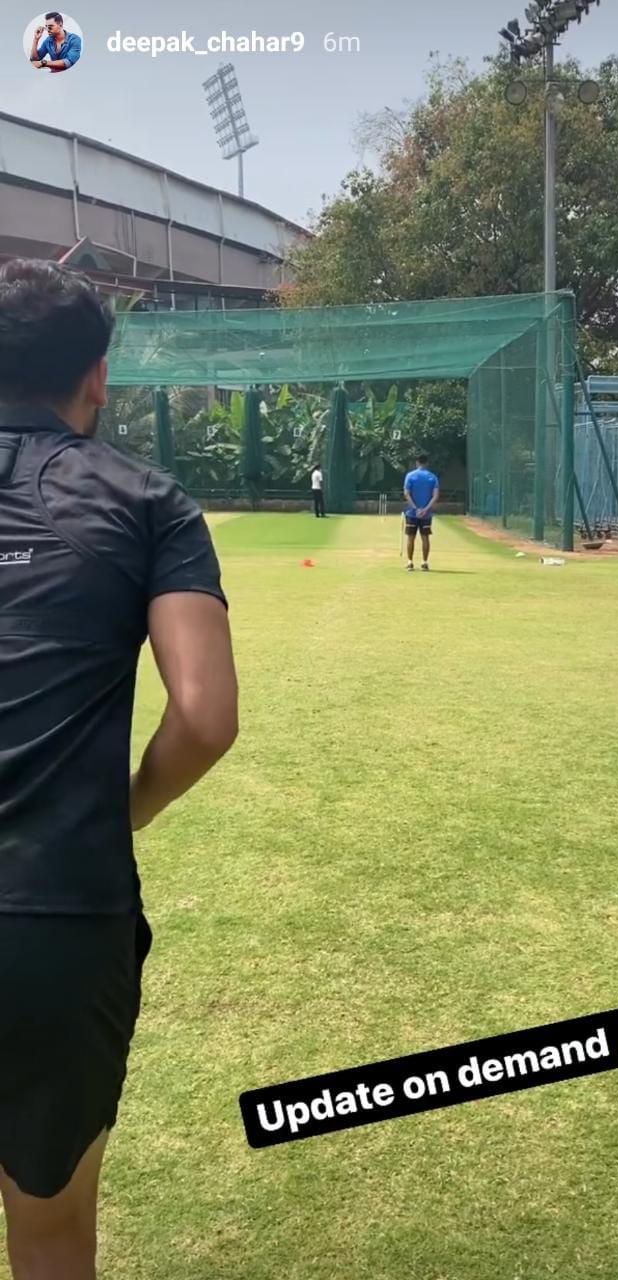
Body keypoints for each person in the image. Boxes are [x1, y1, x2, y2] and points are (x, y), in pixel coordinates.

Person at [0, 259, 238, 1278]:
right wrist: (125, 809)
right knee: (50, 1228)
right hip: (60, 912)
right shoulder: (150, 500)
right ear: (97, 377)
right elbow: (204, 716)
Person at [403, 453, 440, 571]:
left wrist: (415, 508)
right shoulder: (432, 477)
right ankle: (424, 563)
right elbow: (435, 496)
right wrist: (426, 509)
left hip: (412, 513)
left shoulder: (410, 475)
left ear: (417, 463)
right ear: (427, 463)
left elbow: (406, 493)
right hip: (426, 514)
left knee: (411, 537)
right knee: (425, 537)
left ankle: (410, 562)